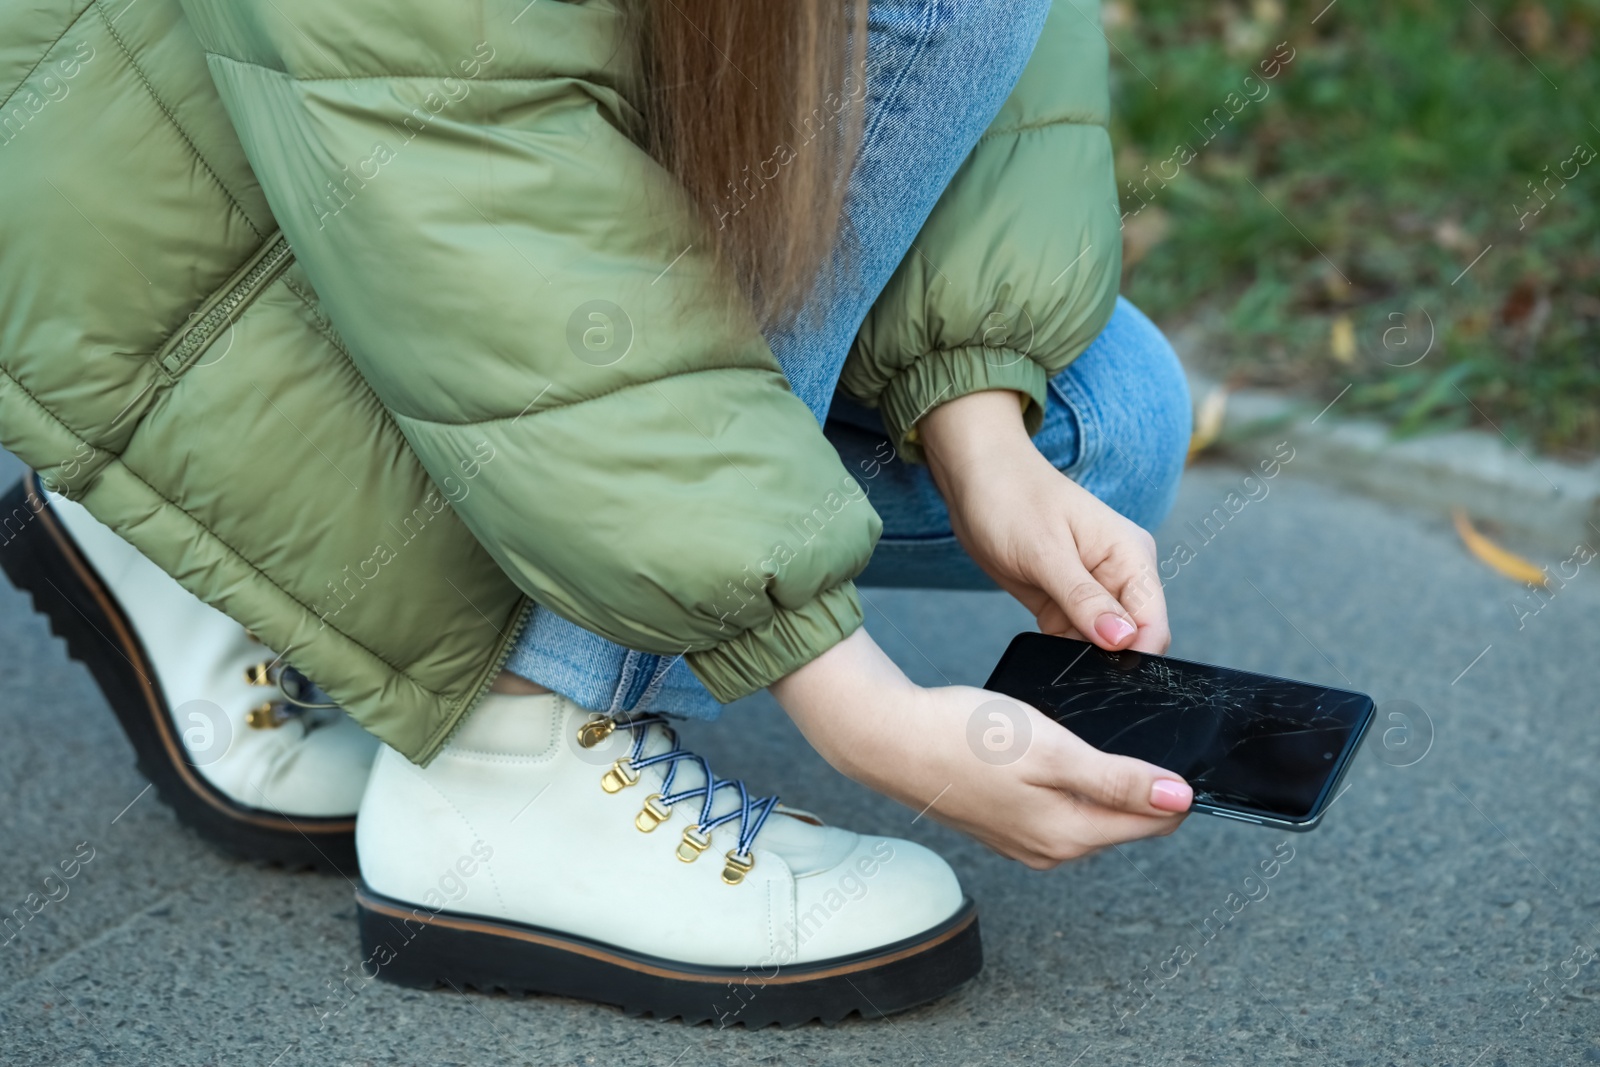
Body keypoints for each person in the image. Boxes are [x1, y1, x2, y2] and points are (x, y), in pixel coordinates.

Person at [0, 0, 1192, 1025]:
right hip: (236, 216)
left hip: (401, 189)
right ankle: (519, 747)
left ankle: (233, 528)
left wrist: (974, 419)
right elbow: (481, 195)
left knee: (1098, 429)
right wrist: (851, 697)